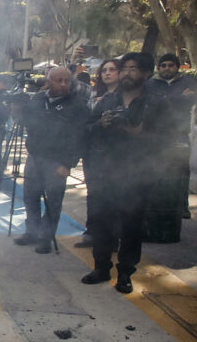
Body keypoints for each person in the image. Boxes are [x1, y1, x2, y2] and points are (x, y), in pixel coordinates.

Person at [82, 52, 170, 293]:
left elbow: (167, 139)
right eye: (125, 68)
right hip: (105, 172)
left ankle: (125, 274)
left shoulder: (156, 103)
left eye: (133, 68)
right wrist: (102, 124)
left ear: (146, 74)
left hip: (136, 176)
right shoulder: (108, 101)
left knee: (131, 227)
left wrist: (139, 134)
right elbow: (87, 128)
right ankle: (101, 268)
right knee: (101, 223)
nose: (127, 73)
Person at [12, 67, 87, 253]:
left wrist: (68, 163)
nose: (63, 84)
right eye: (58, 80)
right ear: (49, 81)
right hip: (35, 156)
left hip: (58, 160)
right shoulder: (38, 99)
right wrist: (17, 109)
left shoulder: (78, 105)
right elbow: (26, 122)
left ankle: (46, 237)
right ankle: (32, 232)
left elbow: (80, 138)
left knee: (53, 200)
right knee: (30, 196)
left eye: (66, 81)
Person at [76, 58, 121, 247]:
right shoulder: (95, 95)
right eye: (104, 70)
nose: (108, 73)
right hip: (93, 152)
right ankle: (93, 231)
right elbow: (87, 123)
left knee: (111, 196)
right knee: (93, 193)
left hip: (115, 154)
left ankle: (111, 238)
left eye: (112, 70)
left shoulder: (125, 96)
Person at [146, 53, 195, 222]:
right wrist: (179, 98)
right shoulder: (150, 84)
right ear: (158, 68)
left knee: (181, 171)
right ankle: (158, 205)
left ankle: (182, 207)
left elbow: (192, 99)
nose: (167, 68)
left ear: (177, 67)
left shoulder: (188, 82)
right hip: (156, 135)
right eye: (164, 65)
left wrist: (167, 100)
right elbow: (151, 104)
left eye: (171, 65)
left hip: (180, 134)